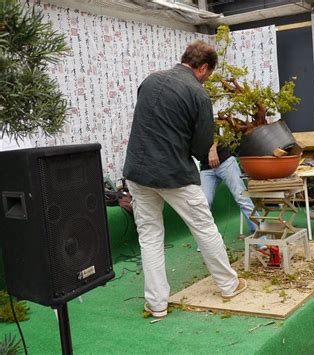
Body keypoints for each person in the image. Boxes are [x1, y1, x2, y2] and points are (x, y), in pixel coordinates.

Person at [123, 41, 247, 319]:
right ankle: (228, 285)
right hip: (173, 174)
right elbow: (201, 149)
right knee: (204, 228)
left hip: (137, 171)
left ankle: (156, 305)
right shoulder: (198, 95)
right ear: (203, 67)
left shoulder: (149, 80)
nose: (207, 79)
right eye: (209, 74)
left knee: (150, 236)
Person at [200, 142, 257, 238]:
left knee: (242, 198)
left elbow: (220, 132)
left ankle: (260, 235)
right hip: (206, 167)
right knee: (203, 204)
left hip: (225, 161)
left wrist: (213, 149)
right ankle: (207, 240)